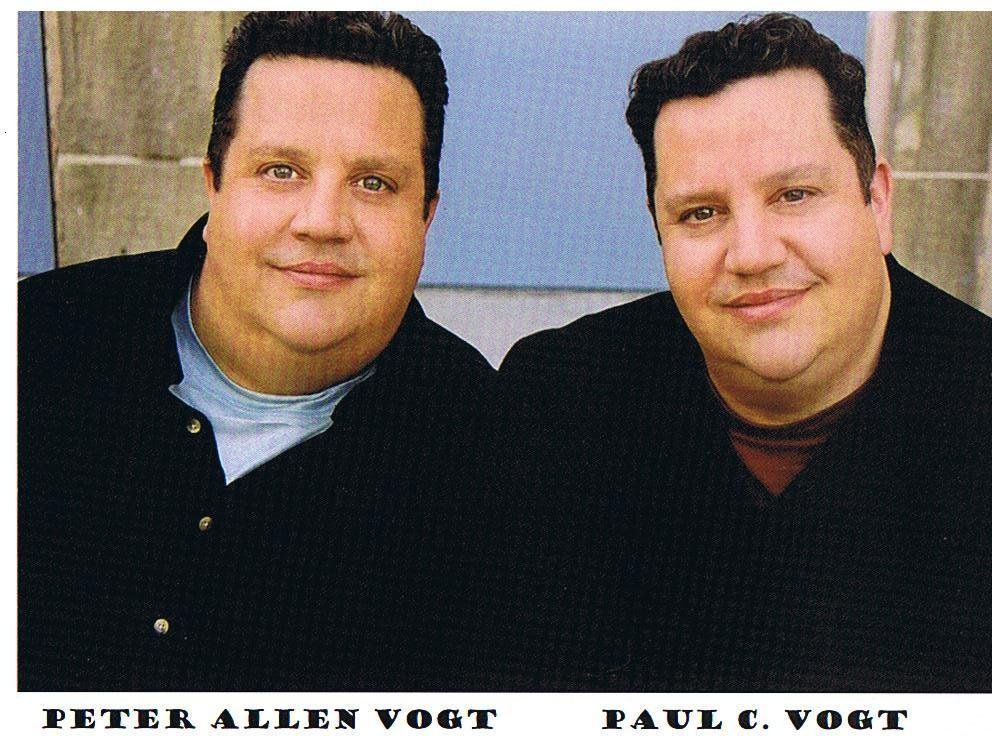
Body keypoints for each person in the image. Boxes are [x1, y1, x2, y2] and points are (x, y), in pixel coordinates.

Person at [499, 13, 992, 691]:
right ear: (660, 233)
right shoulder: (557, 401)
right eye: (701, 213)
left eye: (794, 195)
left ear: (877, 203)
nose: (753, 254)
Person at [19, 11, 496, 691]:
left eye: (374, 183)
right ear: (214, 183)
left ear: (427, 215)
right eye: (281, 171)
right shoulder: (34, 346)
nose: (322, 222)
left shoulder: (494, 452)